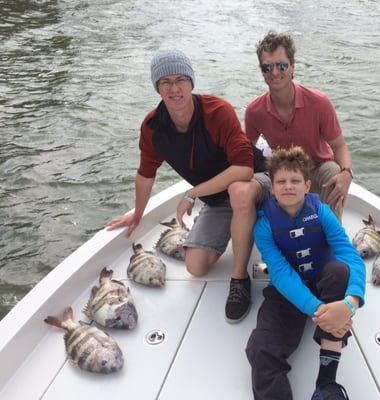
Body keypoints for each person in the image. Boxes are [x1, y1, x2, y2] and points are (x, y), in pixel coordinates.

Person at [106, 48, 270, 323]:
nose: (175, 88)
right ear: (157, 87)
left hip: (256, 184)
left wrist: (192, 193)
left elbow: (243, 169)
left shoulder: (217, 111)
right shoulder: (152, 127)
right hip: (218, 199)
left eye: (181, 79)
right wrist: (138, 213)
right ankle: (245, 226)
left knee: (239, 191)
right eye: (165, 82)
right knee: (196, 267)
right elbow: (146, 173)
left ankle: (240, 280)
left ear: (192, 83)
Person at [246, 146, 366, 400]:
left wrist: (349, 304)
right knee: (260, 349)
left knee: (339, 270)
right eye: (281, 181)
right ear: (273, 187)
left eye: (295, 180)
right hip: (287, 290)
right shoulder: (264, 226)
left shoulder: (322, 212)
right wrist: (319, 310)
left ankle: (326, 384)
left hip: (325, 281)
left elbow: (350, 256)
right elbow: (279, 273)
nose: (288, 186)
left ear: (307, 185)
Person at [245, 31, 353, 220]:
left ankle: (332, 238)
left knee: (334, 173)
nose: (275, 72)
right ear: (261, 71)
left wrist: (347, 173)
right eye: (267, 67)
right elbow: (246, 150)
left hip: (318, 170)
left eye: (282, 65)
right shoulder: (254, 111)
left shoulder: (319, 102)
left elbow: (339, 146)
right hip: (282, 173)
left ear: (293, 67)